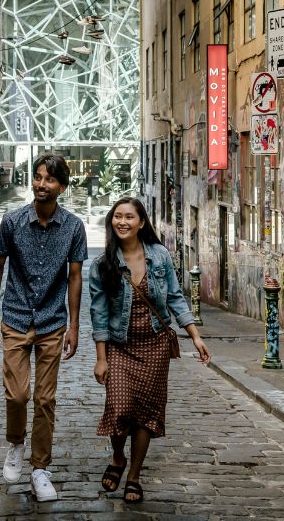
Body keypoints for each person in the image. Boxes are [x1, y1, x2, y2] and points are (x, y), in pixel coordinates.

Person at [89, 197, 211, 503]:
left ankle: (134, 475)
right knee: (120, 410)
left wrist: (194, 336)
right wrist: (101, 358)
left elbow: (175, 298)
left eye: (129, 217)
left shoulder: (159, 256)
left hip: (154, 346)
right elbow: (99, 313)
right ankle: (118, 458)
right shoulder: (103, 264)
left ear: (141, 222)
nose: (122, 222)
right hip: (119, 346)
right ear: (111, 221)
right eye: (117, 216)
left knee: (147, 415)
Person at [0, 153, 87, 502]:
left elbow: (75, 278)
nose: (41, 184)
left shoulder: (73, 227)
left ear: (62, 186)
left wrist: (74, 326)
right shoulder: (12, 222)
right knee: (17, 394)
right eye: (38, 177)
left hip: (52, 322)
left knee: (45, 399)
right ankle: (15, 443)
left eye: (49, 179)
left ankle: (40, 468)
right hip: (14, 317)